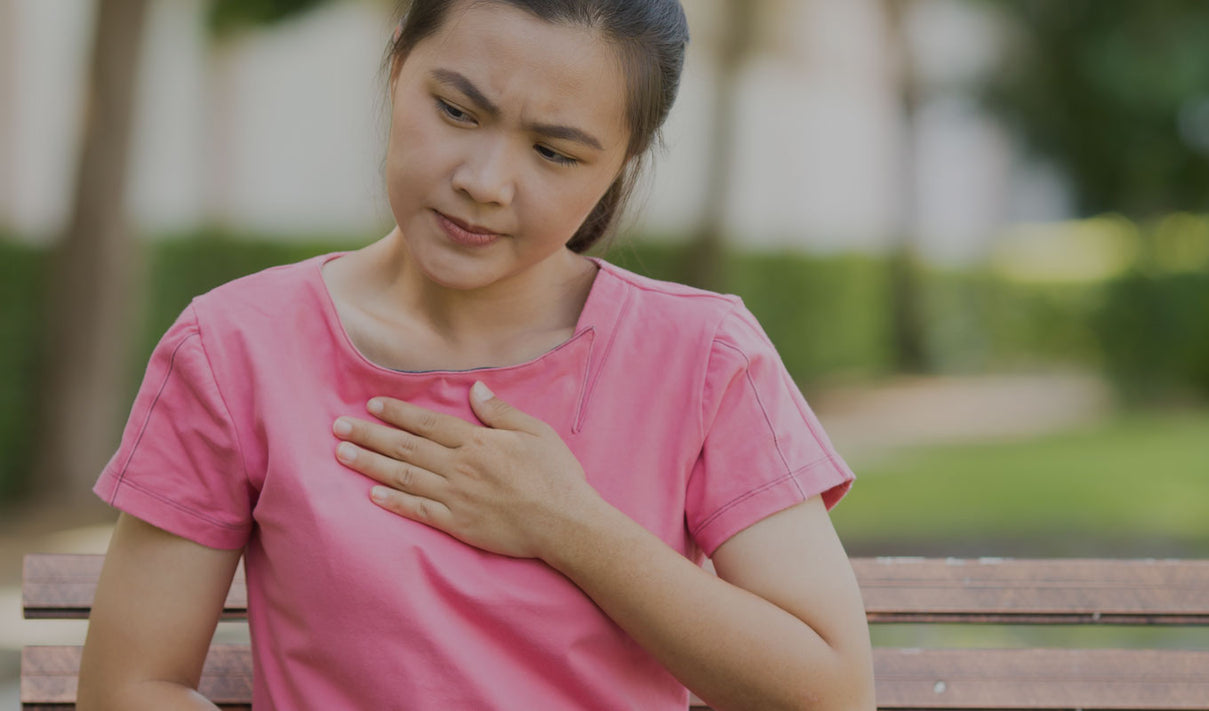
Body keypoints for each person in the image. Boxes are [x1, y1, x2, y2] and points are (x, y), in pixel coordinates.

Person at [76, 1, 875, 709]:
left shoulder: (704, 357)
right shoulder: (235, 348)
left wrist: (569, 525)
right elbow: (130, 685)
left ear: (619, 167)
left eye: (555, 153)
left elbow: (831, 691)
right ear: (397, 65)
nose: (486, 182)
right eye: (457, 111)